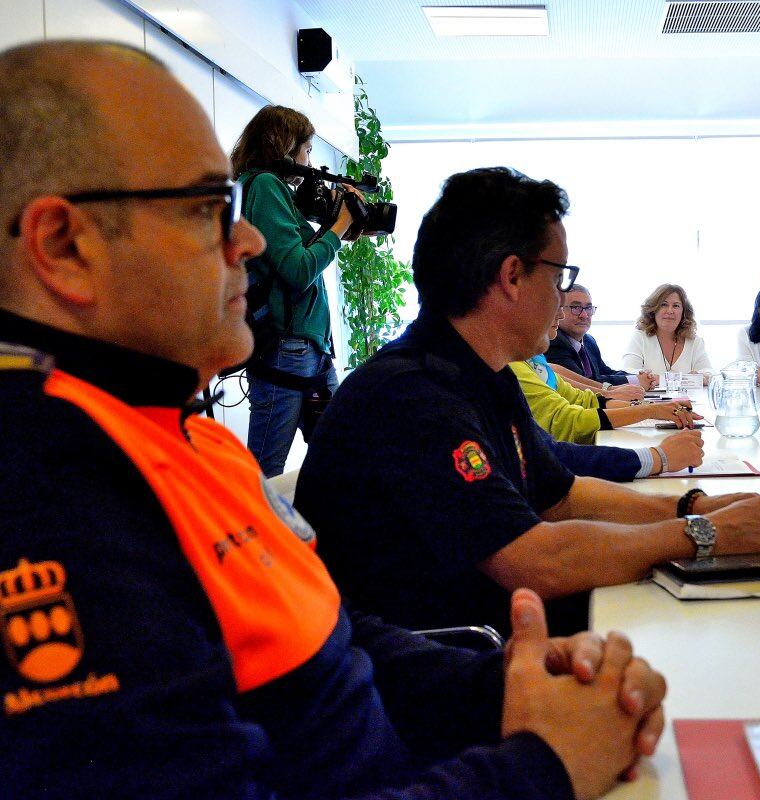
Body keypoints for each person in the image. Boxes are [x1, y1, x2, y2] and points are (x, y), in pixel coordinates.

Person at [0, 41, 666, 800]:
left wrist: (509, 687)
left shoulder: (188, 437)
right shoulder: (45, 496)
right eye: (208, 207)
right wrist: (540, 766)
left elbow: (333, 641)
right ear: (63, 245)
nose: (248, 241)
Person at [295, 167, 760, 638]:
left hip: (486, 626)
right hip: (442, 662)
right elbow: (535, 562)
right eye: (558, 278)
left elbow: (561, 496)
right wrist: (704, 533)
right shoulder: (412, 396)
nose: (562, 298)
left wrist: (695, 504)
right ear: (512, 276)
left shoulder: (483, 374)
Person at [232, 105, 360, 476]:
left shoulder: (257, 188)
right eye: (306, 149)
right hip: (288, 349)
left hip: (308, 349)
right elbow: (298, 269)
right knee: (265, 471)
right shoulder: (265, 186)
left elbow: (295, 253)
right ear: (285, 146)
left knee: (342, 460)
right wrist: (337, 229)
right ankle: (255, 532)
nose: (308, 159)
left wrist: (338, 223)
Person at [515, 308, 702, 445]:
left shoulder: (535, 359)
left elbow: (584, 399)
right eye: (573, 307)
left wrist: (654, 408)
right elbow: (566, 421)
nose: (561, 314)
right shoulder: (516, 364)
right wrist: (649, 412)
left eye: (589, 308)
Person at [547, 284, 656, 389]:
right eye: (575, 307)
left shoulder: (589, 340)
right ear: (558, 309)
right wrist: (636, 381)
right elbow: (585, 382)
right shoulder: (554, 341)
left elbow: (606, 372)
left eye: (588, 308)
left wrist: (640, 377)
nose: (584, 315)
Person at [622, 283, 714, 386]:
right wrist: (688, 379)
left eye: (676, 306)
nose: (670, 311)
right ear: (653, 310)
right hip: (650, 402)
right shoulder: (640, 337)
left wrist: (660, 379)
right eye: (664, 304)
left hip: (688, 401)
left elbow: (709, 375)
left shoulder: (695, 342)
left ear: (683, 312)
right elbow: (628, 373)